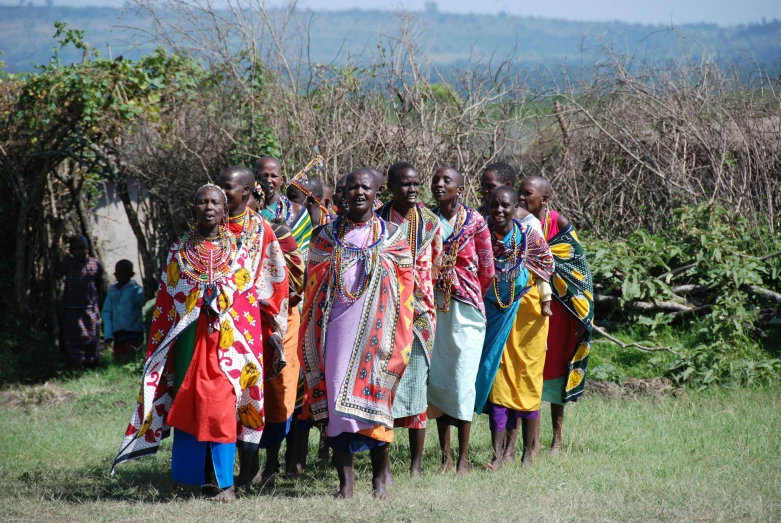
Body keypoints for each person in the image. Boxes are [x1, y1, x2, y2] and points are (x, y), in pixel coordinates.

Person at [112, 183, 289, 502]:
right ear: (193, 208)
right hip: (188, 344)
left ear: (224, 211)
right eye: (202, 202)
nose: (208, 207)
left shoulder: (239, 250)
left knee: (221, 407)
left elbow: (247, 299)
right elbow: (167, 298)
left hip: (227, 346)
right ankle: (195, 479)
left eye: (215, 203)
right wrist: (194, 302)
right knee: (190, 406)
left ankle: (225, 484)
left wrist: (221, 303)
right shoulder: (179, 250)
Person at [300, 168, 414, 499]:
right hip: (334, 332)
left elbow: (408, 287)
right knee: (337, 406)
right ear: (343, 193)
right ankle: (345, 484)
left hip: (380, 333)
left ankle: (379, 479)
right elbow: (312, 287)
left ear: (378, 193)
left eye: (366, 187)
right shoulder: (324, 236)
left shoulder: (393, 235)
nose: (359, 192)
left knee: (376, 400)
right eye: (353, 187)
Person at [218, 167, 302, 489]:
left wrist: (264, 312)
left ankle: (269, 463)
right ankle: (239, 468)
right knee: (233, 396)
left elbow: (292, 281)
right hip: (225, 328)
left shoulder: (273, 231)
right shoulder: (214, 231)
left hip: (269, 323)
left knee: (274, 393)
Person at [473, 186, 554, 470]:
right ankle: (496, 456)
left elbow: (545, 267)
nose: (499, 211)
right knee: (498, 383)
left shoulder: (528, 235)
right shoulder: (481, 234)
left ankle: (527, 455)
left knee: (528, 382)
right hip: (494, 315)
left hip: (529, 315)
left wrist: (545, 301)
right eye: (494, 205)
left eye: (505, 206)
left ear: (515, 206)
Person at [519, 175, 594, 454]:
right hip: (529, 307)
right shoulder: (518, 221)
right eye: (520, 192)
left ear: (544, 199)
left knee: (556, 372)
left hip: (560, 311)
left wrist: (580, 316)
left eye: (528, 193)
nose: (522, 197)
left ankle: (557, 439)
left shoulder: (557, 223)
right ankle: (533, 441)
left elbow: (578, 269)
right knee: (532, 370)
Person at [427, 166, 494, 476]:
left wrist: (464, 291)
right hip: (435, 308)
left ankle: (463, 457)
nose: (440, 185)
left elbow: (487, 269)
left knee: (463, 379)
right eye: (436, 181)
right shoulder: (426, 222)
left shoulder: (476, 222)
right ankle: (445, 457)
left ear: (460, 188)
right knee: (440, 380)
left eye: (447, 181)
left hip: (466, 310)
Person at [378, 161, 442, 479]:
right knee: (385, 389)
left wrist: (420, 302)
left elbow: (437, 268)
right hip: (385, 316)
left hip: (419, 317)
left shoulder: (430, 223)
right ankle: (385, 465)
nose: (413, 189)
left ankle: (416, 466)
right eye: (405, 184)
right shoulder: (376, 222)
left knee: (417, 388)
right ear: (391, 187)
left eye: (417, 183)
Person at [479, 162, 552, 317]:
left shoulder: (529, 225)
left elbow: (543, 262)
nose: (485, 191)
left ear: (507, 186)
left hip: (523, 301)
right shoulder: (479, 217)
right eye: (483, 186)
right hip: (487, 299)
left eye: (490, 186)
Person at [58, 235, 105, 367]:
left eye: (83, 248)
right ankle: (77, 362)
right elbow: (56, 275)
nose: (81, 251)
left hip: (90, 307)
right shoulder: (68, 263)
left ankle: (93, 361)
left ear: (88, 249)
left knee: (92, 336)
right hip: (71, 307)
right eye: (77, 249)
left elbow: (101, 284)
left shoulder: (94, 264)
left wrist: (98, 302)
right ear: (71, 251)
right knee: (73, 337)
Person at [254, 156, 314, 258]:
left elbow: (303, 256)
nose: (269, 180)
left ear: (282, 180)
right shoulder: (246, 209)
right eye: (264, 176)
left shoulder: (298, 213)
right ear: (254, 177)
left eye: (273, 176)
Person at [102, 260, 146, 363]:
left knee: (132, 357)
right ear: (115, 274)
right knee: (119, 358)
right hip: (118, 333)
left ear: (131, 274)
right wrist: (108, 334)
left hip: (134, 331)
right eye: (118, 273)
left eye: (124, 272)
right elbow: (107, 312)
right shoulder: (112, 292)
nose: (121, 275)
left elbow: (142, 301)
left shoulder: (136, 290)